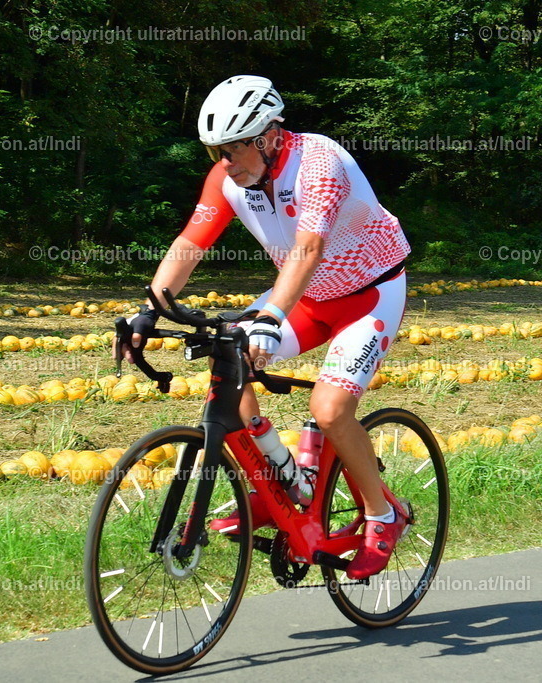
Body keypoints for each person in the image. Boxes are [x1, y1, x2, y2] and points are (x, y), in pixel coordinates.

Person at [115, 75, 410, 580]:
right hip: (306, 296)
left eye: (232, 149)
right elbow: (191, 243)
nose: (224, 162)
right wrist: (150, 308)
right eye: (215, 152)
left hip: (369, 294)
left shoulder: (319, 163)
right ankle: (281, 483)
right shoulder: (228, 178)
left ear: (270, 137)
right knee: (227, 360)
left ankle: (384, 516)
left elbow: (308, 249)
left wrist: (271, 316)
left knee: (330, 409)